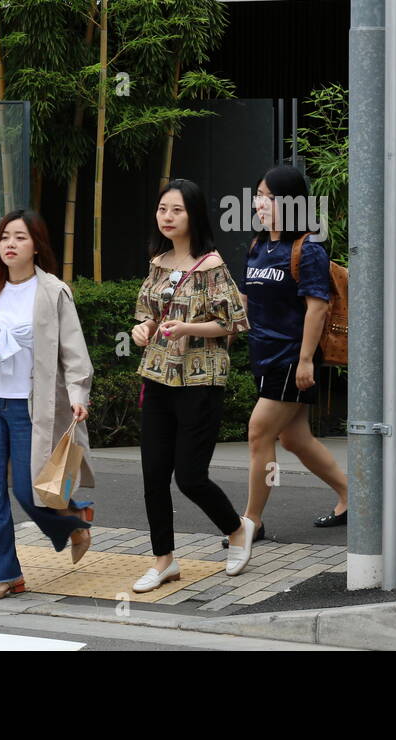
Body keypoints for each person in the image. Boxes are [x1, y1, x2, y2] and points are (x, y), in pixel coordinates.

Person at [0, 209, 96, 600]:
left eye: (20, 238)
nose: (10, 244)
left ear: (36, 245)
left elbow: (74, 353)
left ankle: (75, 521)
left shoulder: (53, 292)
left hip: (34, 408)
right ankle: (6, 575)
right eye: (5, 238)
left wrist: (79, 397)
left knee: (32, 492)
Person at [129, 179, 256, 593]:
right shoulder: (158, 261)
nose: (167, 217)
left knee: (190, 476)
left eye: (177, 210)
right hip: (159, 375)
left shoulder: (211, 266)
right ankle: (164, 559)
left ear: (194, 216)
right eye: (162, 209)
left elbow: (234, 322)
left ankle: (237, 530)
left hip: (200, 379)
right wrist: (141, 330)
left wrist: (187, 327)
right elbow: (147, 314)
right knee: (152, 476)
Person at [233, 165, 348, 545]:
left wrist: (304, 361)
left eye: (267, 196)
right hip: (263, 355)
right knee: (295, 439)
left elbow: (317, 308)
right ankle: (356, 497)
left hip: (290, 358)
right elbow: (248, 300)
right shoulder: (258, 246)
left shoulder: (308, 249)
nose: (258, 203)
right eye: (258, 195)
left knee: (258, 432)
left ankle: (252, 521)